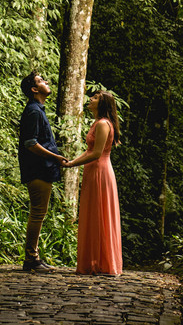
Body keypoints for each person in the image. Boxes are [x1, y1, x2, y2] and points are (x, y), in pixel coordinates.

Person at [63, 89, 123, 275]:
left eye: (95, 98)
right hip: (92, 171)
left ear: (102, 104)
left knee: (99, 214)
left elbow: (97, 153)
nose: (90, 99)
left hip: (100, 172)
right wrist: (72, 162)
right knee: (93, 214)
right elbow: (89, 151)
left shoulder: (103, 124)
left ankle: (102, 262)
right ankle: (93, 261)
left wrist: (72, 164)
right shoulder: (97, 123)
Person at [18, 71, 63, 272]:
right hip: (37, 169)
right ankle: (31, 259)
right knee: (37, 213)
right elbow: (30, 143)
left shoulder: (38, 110)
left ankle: (34, 257)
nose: (46, 81)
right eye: (40, 80)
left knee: (39, 213)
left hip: (41, 169)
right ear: (34, 89)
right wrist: (55, 157)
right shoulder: (34, 111)